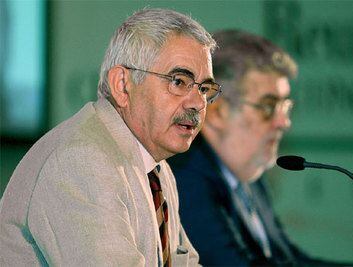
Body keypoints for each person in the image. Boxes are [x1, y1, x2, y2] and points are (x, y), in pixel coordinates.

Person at [0, 8, 221, 266]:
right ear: (122, 85)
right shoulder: (82, 161)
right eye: (179, 81)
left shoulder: (157, 168)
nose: (197, 102)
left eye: (204, 88)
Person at [168, 29, 353, 266]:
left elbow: (290, 260)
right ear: (217, 111)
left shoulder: (249, 175)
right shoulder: (186, 176)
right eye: (268, 106)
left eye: (285, 107)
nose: (284, 122)